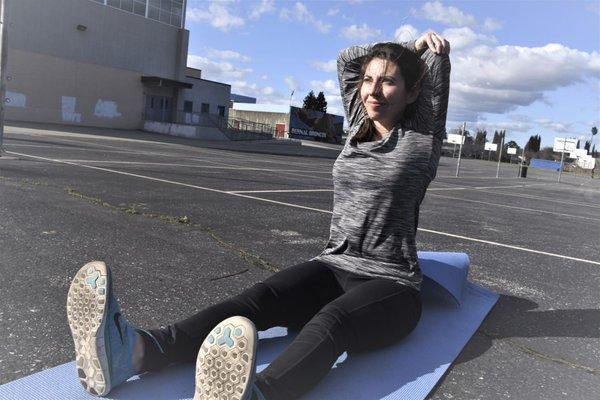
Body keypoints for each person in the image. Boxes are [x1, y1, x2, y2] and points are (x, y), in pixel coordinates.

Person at [66, 31, 451, 400]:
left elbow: (432, 73)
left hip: (392, 286)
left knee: (333, 321)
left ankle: (261, 394)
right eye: (369, 80)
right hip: (334, 266)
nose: (373, 90)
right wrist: (405, 47)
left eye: (388, 82)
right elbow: (347, 59)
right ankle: (136, 352)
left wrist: (423, 54)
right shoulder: (357, 127)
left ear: (413, 91)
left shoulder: (421, 139)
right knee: (258, 300)